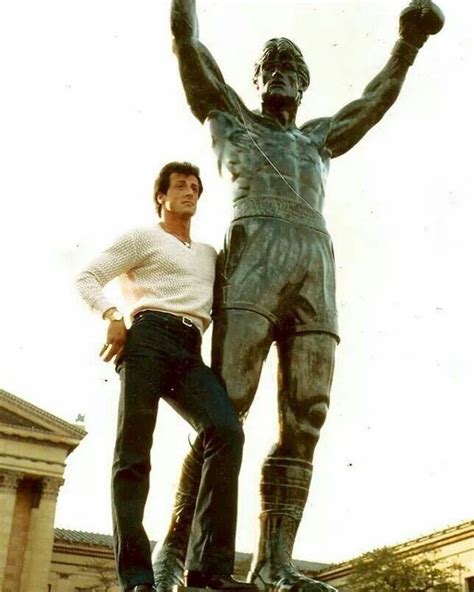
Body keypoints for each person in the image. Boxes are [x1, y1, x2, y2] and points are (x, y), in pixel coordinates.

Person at [152, 2, 444, 592]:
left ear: (305, 85)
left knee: (307, 412)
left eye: (293, 67)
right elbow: (187, 42)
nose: (282, 73)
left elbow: (376, 99)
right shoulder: (230, 117)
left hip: (314, 258)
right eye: (271, 66)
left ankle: (274, 564)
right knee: (225, 407)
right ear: (256, 81)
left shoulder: (318, 141)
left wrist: (408, 44)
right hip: (255, 248)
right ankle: (174, 551)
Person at [76, 161, 257, 592]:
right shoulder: (144, 238)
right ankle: (137, 577)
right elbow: (87, 277)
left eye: (196, 187)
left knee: (226, 430)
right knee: (134, 455)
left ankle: (209, 568)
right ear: (161, 195)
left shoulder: (210, 253)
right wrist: (112, 315)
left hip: (189, 348)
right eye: (180, 186)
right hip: (147, 339)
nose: (190, 192)